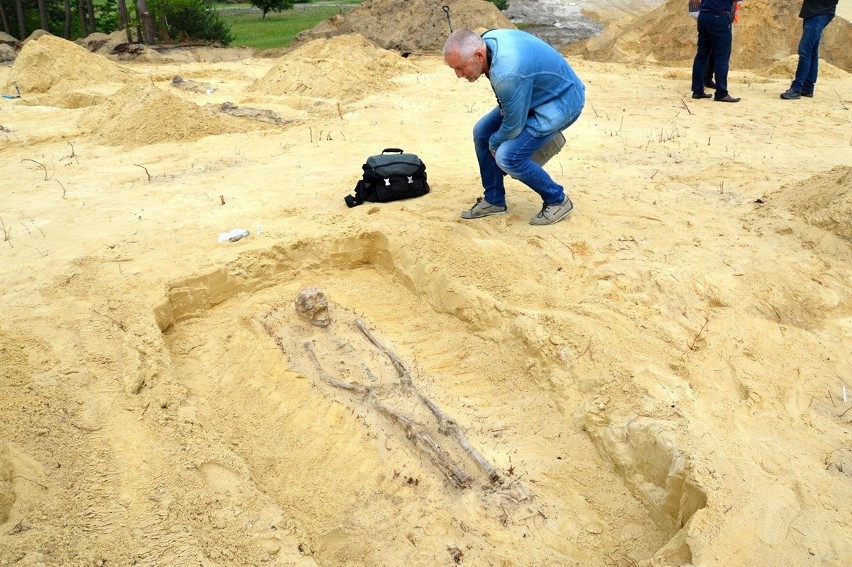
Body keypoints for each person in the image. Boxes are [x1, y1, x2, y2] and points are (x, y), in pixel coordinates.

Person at [443, 28, 585, 226]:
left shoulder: (507, 74)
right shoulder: (488, 42)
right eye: (454, 69)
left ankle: (557, 200)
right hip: (534, 92)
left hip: (562, 101)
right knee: (481, 132)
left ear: (478, 55)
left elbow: (514, 126)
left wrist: (495, 144)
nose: (458, 75)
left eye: (460, 68)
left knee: (507, 156)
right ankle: (494, 200)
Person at [780, 0, 839, 99]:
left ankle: (796, 88)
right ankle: (807, 87)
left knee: (805, 50)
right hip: (815, 12)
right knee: (811, 51)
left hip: (820, 12)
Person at [690, 0, 740, 102]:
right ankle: (721, 93)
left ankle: (697, 91)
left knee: (702, 55)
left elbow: (695, 1)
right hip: (719, 17)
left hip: (703, 16)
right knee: (722, 57)